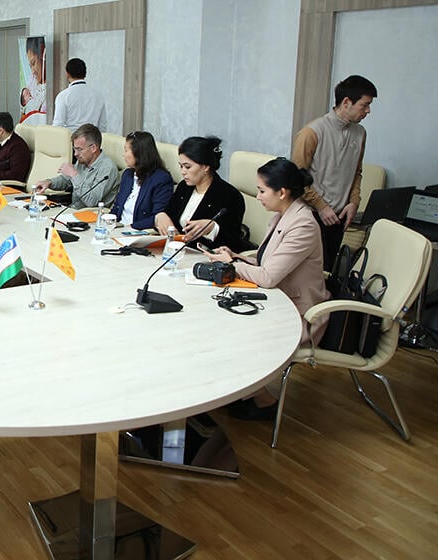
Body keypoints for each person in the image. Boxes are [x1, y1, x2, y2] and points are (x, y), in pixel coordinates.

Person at [203, 158, 329, 420]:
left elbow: (270, 276)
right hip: (275, 299)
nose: (257, 197)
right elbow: (265, 262)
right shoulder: (282, 216)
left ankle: (262, 400)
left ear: (282, 192)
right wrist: (236, 257)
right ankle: (235, 391)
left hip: (297, 312)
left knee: (230, 328)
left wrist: (233, 266)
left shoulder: (303, 224)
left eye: (261, 190)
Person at [293, 75, 377, 271]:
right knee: (305, 276)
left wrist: (354, 202)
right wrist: (321, 206)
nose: (368, 111)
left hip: (338, 218)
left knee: (326, 273)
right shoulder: (311, 132)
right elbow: (296, 178)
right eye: (364, 105)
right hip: (311, 216)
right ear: (347, 102)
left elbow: (356, 172)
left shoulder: (360, 133)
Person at [155, 136, 246, 251]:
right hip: (175, 251)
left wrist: (212, 229)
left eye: (188, 167)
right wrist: (161, 216)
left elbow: (232, 241)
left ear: (205, 167)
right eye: (181, 166)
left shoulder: (230, 196)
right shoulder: (184, 187)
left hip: (205, 257)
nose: (182, 172)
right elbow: (169, 216)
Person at [34, 124, 118, 209]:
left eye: (79, 149)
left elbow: (92, 201)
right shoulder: (83, 160)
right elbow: (66, 180)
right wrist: (48, 182)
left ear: (93, 148)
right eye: (74, 149)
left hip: (90, 216)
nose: (75, 154)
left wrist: (74, 174)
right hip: (72, 211)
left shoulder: (107, 168)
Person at [109, 131, 175, 230]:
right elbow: (117, 207)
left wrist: (129, 227)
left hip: (138, 232)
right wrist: (107, 222)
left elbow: (157, 217)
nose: (124, 155)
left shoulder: (161, 179)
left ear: (138, 152)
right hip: (118, 228)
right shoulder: (127, 175)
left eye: (126, 150)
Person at [52, 58, 108, 133]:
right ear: (85, 74)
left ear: (67, 74)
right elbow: (102, 126)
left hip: (70, 142)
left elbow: (58, 126)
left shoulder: (63, 96)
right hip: (93, 142)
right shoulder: (98, 95)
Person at [19, 37, 47, 125]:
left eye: (33, 63)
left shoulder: (53, 84)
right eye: (30, 66)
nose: (33, 71)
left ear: (43, 53)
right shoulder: (32, 80)